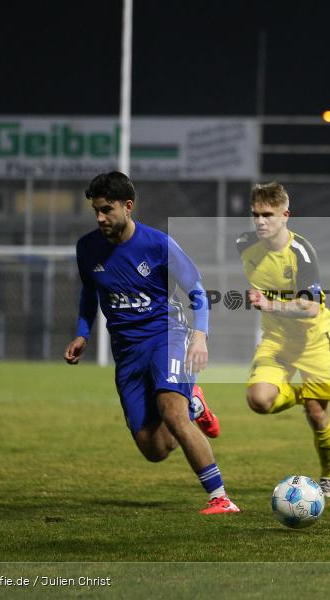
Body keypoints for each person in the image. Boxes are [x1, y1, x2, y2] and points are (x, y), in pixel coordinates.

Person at [64, 171, 239, 514]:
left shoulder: (158, 244)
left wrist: (199, 336)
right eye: (96, 210)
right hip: (127, 352)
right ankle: (194, 404)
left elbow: (197, 290)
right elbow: (89, 294)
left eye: (107, 209)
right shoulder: (87, 248)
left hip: (166, 336)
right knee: (154, 448)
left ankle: (220, 497)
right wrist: (83, 333)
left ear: (128, 206)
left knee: (172, 413)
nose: (100, 217)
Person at [235, 182, 330, 498]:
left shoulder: (301, 253)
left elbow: (311, 308)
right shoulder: (244, 244)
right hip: (276, 339)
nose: (260, 221)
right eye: (256, 214)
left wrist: (270, 305)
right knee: (259, 401)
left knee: (317, 414)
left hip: (312, 340)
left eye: (268, 215)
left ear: (285, 215)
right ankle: (301, 395)